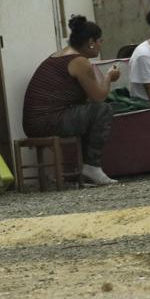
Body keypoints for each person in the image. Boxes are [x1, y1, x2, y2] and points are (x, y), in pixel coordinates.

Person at [22, 15, 120, 186]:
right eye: (100, 41)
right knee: (102, 110)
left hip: (36, 122)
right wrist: (109, 77)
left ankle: (80, 171)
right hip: (46, 121)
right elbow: (98, 97)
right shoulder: (79, 61)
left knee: (89, 112)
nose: (100, 45)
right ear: (91, 41)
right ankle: (92, 167)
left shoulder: (59, 55)